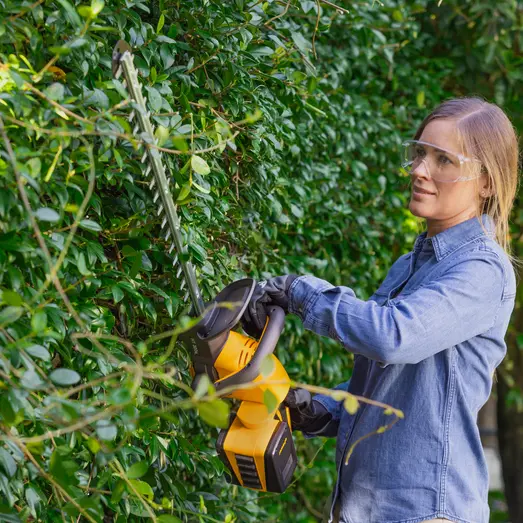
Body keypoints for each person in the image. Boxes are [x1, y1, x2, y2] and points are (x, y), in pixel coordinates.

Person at [241, 97, 519, 523]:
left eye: (443, 160)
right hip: (363, 509)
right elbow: (385, 385)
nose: (421, 171)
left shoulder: (482, 270)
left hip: (426, 512)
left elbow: (392, 337)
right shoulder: (410, 266)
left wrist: (299, 292)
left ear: (486, 183)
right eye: (420, 153)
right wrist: (312, 408)